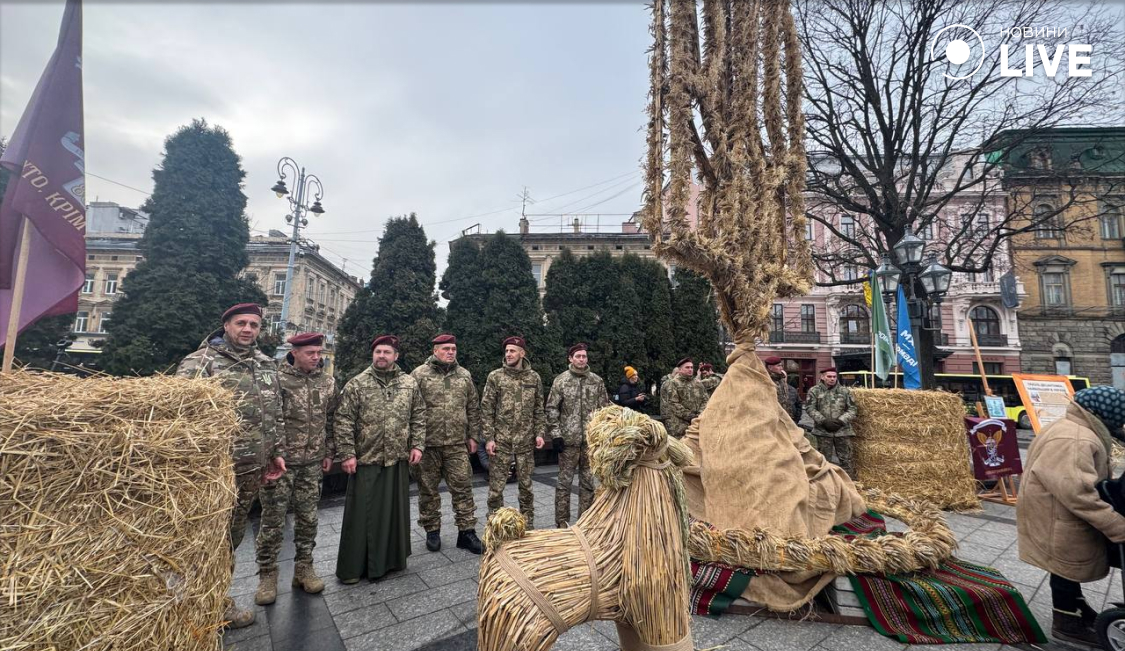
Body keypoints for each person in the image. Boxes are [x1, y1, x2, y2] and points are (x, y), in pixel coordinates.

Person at [176, 303, 286, 629]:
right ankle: (197, 604)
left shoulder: (266, 365)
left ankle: (215, 600)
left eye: (254, 324)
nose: (248, 329)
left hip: (252, 469)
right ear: (226, 325)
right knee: (206, 539)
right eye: (241, 323)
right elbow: (180, 419)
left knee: (232, 538)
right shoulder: (201, 363)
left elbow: (274, 411)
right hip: (215, 471)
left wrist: (275, 450)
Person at [1017, 386, 1125, 646]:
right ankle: (1067, 623)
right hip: (1058, 514)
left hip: (1054, 510)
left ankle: (1075, 612)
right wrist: (1116, 524)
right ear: (1104, 414)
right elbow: (1077, 492)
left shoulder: (1074, 427)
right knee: (1066, 564)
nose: (1120, 424)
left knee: (1063, 566)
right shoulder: (1076, 438)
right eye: (1118, 418)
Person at [334, 335, 425, 583]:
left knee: (394, 513)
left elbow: (418, 414)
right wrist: (347, 453)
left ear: (396, 356)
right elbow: (343, 420)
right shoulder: (357, 384)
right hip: (367, 458)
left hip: (397, 457)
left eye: (387, 352)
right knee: (362, 514)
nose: (381, 356)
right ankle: (354, 568)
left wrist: (417, 444)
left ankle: (393, 561)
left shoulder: (409, 383)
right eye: (378, 352)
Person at [254, 332, 336, 605]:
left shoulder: (326, 381)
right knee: (273, 521)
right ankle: (267, 574)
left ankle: (304, 568)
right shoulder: (276, 379)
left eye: (319, 353)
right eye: (311, 353)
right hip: (281, 464)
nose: (316, 358)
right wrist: (271, 455)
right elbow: (267, 420)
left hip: (312, 462)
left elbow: (331, 418)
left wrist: (329, 451)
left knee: (308, 519)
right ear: (295, 352)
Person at [410, 334, 483, 555]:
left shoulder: (464, 375)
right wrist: (414, 442)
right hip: (428, 444)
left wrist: (473, 436)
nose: (450, 352)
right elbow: (411, 409)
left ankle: (466, 532)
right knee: (428, 490)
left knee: (463, 488)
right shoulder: (419, 375)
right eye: (445, 349)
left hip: (456, 444)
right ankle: (432, 530)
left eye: (453, 348)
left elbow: (473, 407)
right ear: (435, 351)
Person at [480, 336, 546, 526]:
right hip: (501, 442)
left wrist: (540, 433)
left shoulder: (533, 377)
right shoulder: (495, 377)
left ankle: (528, 524)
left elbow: (538, 409)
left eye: (512, 351)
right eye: (507, 351)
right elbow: (487, 409)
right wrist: (489, 438)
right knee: (495, 490)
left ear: (522, 353)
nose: (508, 354)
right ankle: (495, 526)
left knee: (526, 487)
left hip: (525, 442)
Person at [546, 343, 609, 527]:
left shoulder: (596, 381)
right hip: (568, 442)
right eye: (578, 356)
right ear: (570, 359)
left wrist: (602, 435)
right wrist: (556, 434)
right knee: (564, 484)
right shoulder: (561, 380)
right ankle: (562, 524)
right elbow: (551, 409)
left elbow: (605, 409)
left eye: (584, 356)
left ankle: (585, 523)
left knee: (589, 483)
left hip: (590, 442)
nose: (581, 359)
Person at [804, 367, 858, 478]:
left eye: (834, 376)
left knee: (846, 460)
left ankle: (850, 482)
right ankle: (826, 482)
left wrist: (841, 421)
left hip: (842, 431)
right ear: (822, 377)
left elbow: (852, 409)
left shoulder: (844, 391)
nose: (832, 379)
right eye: (829, 376)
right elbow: (810, 408)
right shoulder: (814, 391)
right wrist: (823, 421)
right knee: (823, 460)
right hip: (823, 431)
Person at [661, 357, 708, 439]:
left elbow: (705, 400)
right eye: (687, 367)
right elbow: (673, 404)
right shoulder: (672, 384)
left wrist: (699, 415)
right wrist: (691, 416)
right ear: (679, 370)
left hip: (696, 424)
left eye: (691, 367)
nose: (690, 369)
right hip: (678, 426)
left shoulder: (698, 384)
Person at [764, 356, 802, 424]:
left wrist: (795, 419)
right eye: (778, 366)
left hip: (787, 419)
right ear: (770, 367)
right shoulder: (765, 381)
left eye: (781, 366)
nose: (781, 368)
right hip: (772, 420)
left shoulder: (781, 381)